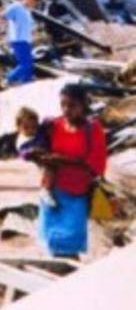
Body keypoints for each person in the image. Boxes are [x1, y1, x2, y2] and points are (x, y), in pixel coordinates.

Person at [35, 84, 107, 258]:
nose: (66, 109)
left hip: (77, 192)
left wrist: (61, 160)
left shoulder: (93, 129)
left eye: (72, 105)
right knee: (52, 238)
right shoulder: (53, 125)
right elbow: (39, 147)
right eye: (63, 104)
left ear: (83, 105)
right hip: (52, 190)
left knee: (71, 238)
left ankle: (70, 269)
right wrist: (37, 156)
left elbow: (96, 164)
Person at [0, 0, 39, 85]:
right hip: (18, 39)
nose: (34, 5)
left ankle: (26, 80)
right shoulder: (15, 7)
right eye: (34, 3)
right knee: (25, 64)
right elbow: (2, 17)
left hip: (26, 39)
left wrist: (34, 33)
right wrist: (2, 33)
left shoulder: (27, 11)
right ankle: (8, 79)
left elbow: (31, 25)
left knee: (28, 62)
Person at [16, 107, 56, 208]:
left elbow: (47, 121)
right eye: (26, 127)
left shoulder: (40, 130)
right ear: (18, 127)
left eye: (34, 127)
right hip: (43, 160)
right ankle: (45, 191)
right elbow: (23, 154)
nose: (31, 130)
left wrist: (50, 121)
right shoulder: (22, 141)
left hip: (50, 152)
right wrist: (32, 151)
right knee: (49, 171)